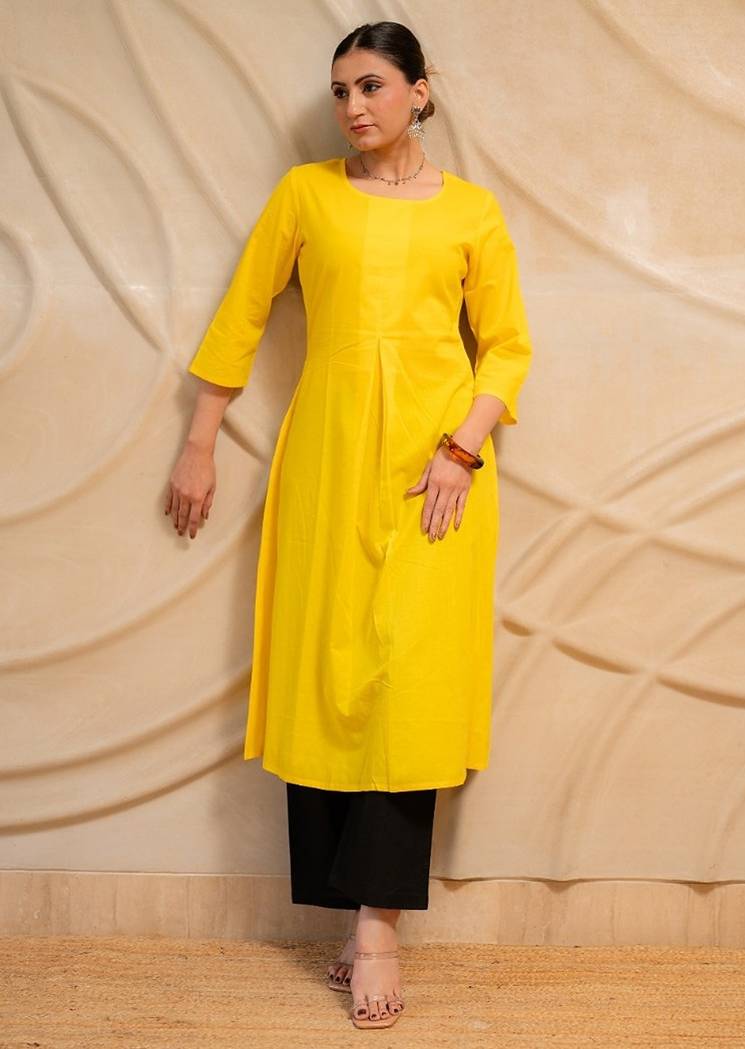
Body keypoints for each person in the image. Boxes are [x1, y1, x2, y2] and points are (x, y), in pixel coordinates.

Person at [164, 20, 533, 1031]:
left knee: (409, 690)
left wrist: (461, 448)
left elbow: (506, 348)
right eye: (339, 91)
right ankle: (348, 909)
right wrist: (198, 442)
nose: (353, 106)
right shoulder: (304, 195)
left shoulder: (471, 211)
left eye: (370, 85)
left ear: (420, 90)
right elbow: (243, 313)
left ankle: (378, 930)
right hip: (326, 461)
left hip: (436, 476)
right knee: (325, 675)